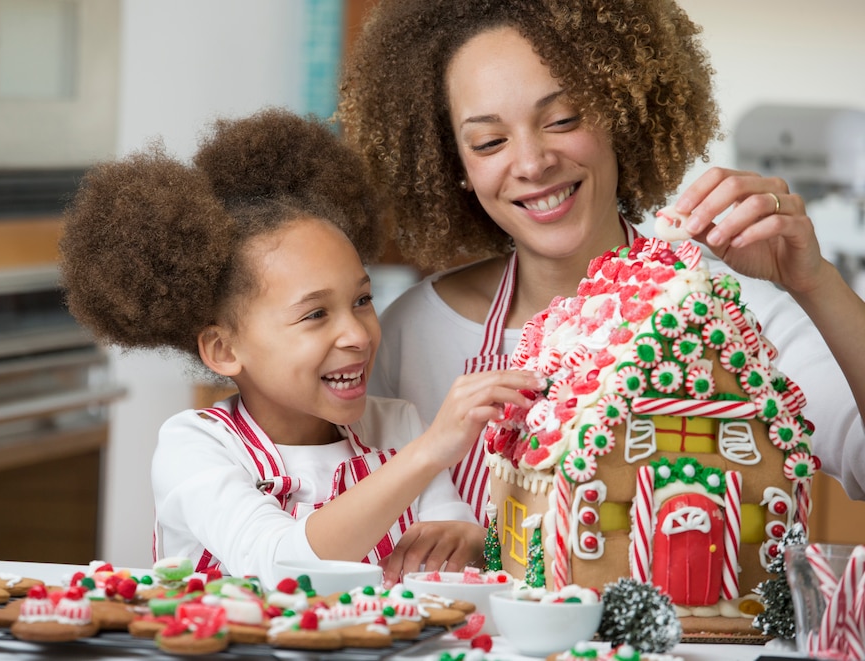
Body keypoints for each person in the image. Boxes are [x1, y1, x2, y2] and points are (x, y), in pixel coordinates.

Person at [337, 0, 865, 525]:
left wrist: (816, 283)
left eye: (563, 119)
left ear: (624, 115)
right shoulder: (409, 332)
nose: (532, 162)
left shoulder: (727, 312)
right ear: (456, 166)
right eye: (489, 141)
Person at [58, 108, 540, 589]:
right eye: (315, 314)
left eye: (362, 300)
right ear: (224, 349)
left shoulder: (398, 425)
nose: (357, 334)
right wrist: (429, 452)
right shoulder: (197, 447)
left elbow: (451, 560)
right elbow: (281, 564)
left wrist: (472, 542)